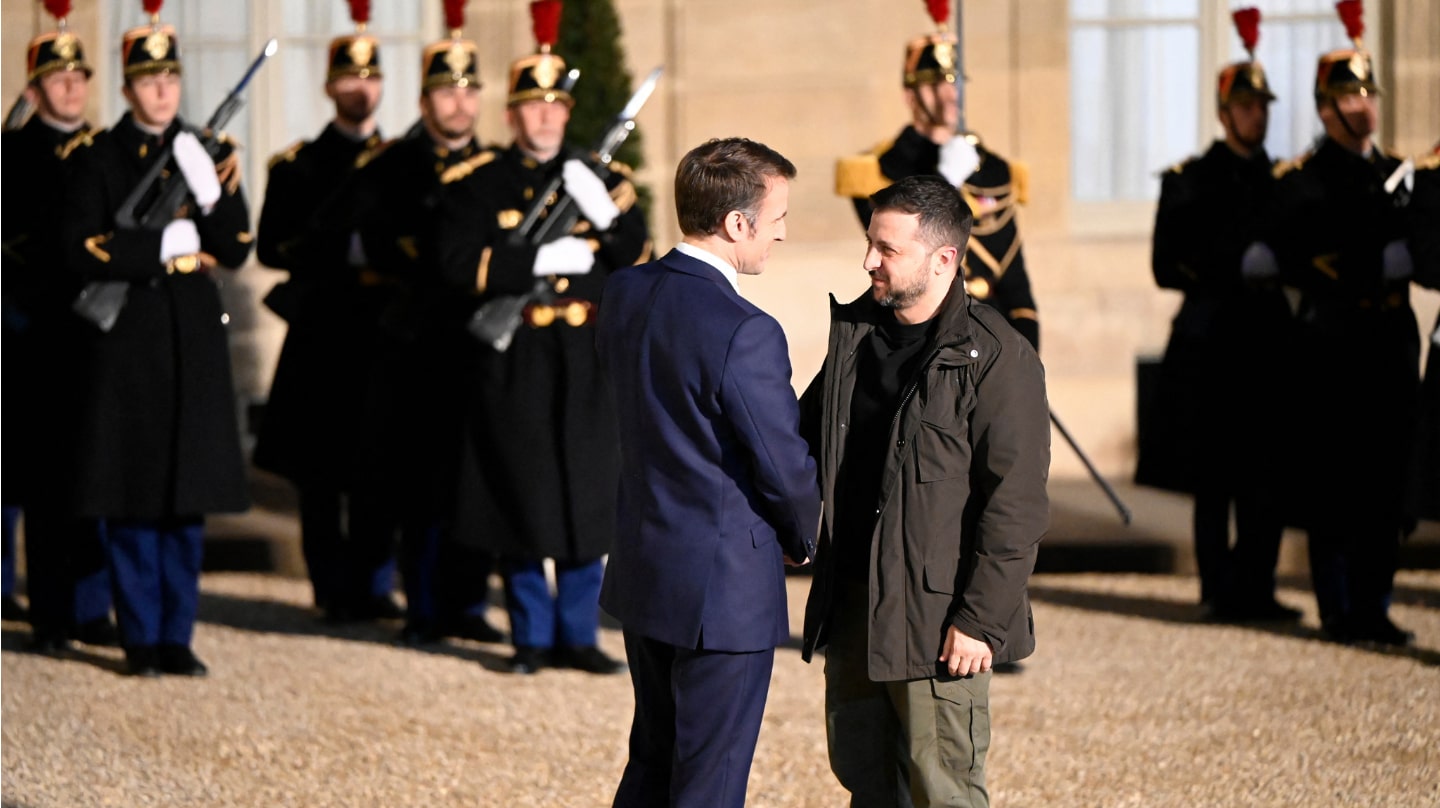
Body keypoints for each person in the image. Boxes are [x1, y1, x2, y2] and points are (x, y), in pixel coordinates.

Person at [799, 175, 1049, 806]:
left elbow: (1015, 506)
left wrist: (980, 621)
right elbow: (805, 437)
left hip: (935, 622)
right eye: (869, 243)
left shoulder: (997, 357)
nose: (869, 261)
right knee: (867, 784)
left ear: (943, 259)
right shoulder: (856, 334)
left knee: (943, 792)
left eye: (888, 249)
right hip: (854, 608)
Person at [595, 136, 819, 808]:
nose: (782, 233)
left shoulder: (625, 292)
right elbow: (782, 466)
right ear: (736, 223)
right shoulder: (745, 329)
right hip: (723, 588)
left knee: (652, 764)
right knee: (709, 784)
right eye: (777, 218)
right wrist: (803, 536)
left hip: (645, 562)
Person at [437, 0, 650, 676]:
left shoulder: (603, 182)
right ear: (512, 114)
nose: (546, 117)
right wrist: (532, 260)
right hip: (519, 357)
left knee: (588, 495)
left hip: (586, 359)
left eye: (556, 106)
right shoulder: (480, 182)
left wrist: (604, 216)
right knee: (521, 496)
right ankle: (530, 635)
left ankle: (578, 634)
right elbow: (454, 262)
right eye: (533, 106)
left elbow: (638, 258)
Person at [59, 7, 253, 676]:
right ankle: (141, 638)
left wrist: (210, 193)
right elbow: (77, 246)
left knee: (186, 496)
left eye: (170, 77)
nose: (163, 90)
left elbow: (236, 246)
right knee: (134, 495)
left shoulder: (209, 154)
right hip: (130, 347)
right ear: (127, 88)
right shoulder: (98, 157)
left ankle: (178, 636)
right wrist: (156, 247)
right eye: (148, 80)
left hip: (192, 340)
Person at [346, 12, 503, 647]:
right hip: (415, 345)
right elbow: (379, 244)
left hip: (481, 343)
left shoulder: (498, 168)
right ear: (423, 101)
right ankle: (425, 606)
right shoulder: (392, 168)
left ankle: (469, 603)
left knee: (476, 477)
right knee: (419, 483)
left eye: (468, 92)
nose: (458, 104)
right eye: (445, 92)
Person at [1257, 32, 1416, 646]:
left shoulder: (1396, 173)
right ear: (1326, 109)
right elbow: (1298, 254)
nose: (1364, 106)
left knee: (1388, 477)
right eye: (1350, 97)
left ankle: (1376, 602)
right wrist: (1374, 264)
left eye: (1368, 94)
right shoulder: (1303, 179)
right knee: (1337, 478)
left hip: (1391, 338)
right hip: (1336, 343)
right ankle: (1340, 605)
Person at [1143, 11, 1298, 623]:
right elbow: (1167, 265)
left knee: (1268, 471)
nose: (1257, 116)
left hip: (1269, 341)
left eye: (1262, 107)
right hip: (1213, 344)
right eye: (1246, 107)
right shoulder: (1191, 181)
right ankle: (1218, 587)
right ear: (1224, 113)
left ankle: (1258, 584)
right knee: (1215, 475)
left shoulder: (1283, 181)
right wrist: (1233, 264)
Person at [252, 1, 402, 624]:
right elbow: (271, 246)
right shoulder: (299, 166)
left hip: (384, 331)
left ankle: (373, 583)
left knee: (378, 464)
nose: (359, 89)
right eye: (349, 78)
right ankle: (330, 587)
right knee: (319, 472)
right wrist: (337, 246)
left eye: (370, 78)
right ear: (329, 86)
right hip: (323, 333)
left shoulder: (401, 162)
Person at [1, 5, 118, 652]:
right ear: (35, 86)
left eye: (78, 78)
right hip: (36, 333)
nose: (70, 88)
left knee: (94, 474)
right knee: (46, 479)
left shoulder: (105, 151)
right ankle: (51, 613)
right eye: (57, 78)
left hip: (97, 334)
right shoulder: (12, 153)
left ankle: (93, 607)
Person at [835, 1, 1040, 351]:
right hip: (921, 336)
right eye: (936, 84)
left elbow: (1015, 287)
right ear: (910, 96)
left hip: (990, 336)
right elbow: (903, 252)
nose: (950, 95)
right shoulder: (878, 170)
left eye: (955, 82)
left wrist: (1026, 359)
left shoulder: (992, 169)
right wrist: (945, 181)